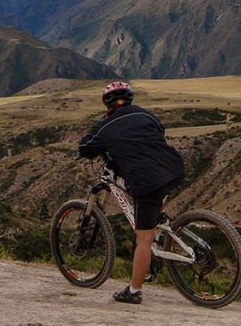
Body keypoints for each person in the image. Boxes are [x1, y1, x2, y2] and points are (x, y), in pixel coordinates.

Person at [78, 81, 185, 305]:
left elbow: (86, 149)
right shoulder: (147, 115)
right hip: (173, 169)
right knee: (153, 203)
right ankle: (157, 221)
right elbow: (159, 132)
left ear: (106, 103)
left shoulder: (104, 126)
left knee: (143, 238)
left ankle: (134, 291)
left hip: (147, 181)